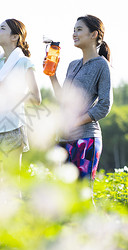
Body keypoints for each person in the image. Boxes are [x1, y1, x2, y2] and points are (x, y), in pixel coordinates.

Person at [48, 14, 113, 183]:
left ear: (94, 34)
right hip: (63, 138)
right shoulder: (72, 65)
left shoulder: (101, 64)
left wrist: (75, 122)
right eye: (73, 30)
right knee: (63, 195)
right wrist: (52, 75)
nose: (74, 34)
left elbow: (104, 105)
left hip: (86, 140)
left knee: (82, 194)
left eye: (79, 29)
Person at [0, 19, 41, 174]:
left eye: (2, 28)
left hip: (13, 127)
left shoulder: (24, 62)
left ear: (14, 37)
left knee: (12, 180)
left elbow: (36, 99)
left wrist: (10, 90)